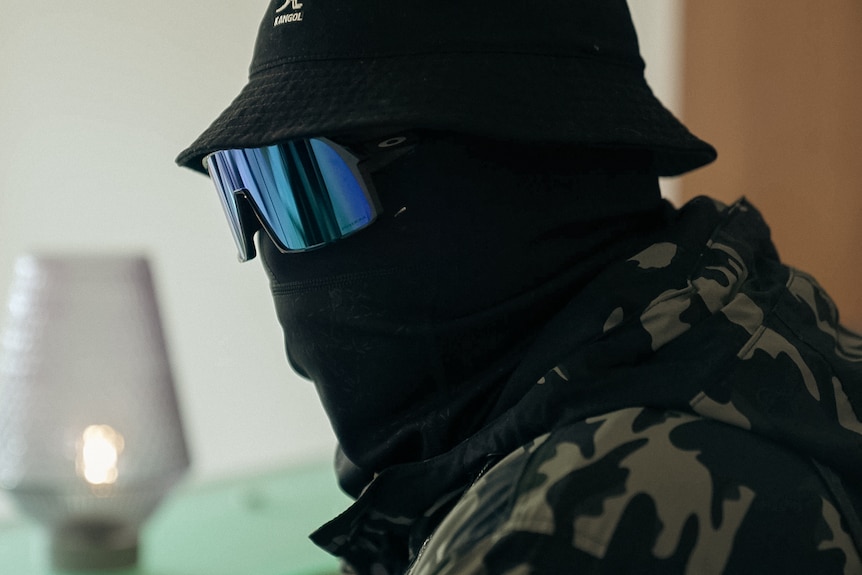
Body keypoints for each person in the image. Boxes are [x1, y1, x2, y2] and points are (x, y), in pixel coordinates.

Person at [177, 1, 862, 573]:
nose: (269, 244)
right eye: (248, 190)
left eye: (310, 188)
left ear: (520, 175)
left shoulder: (545, 537)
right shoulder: (750, 328)